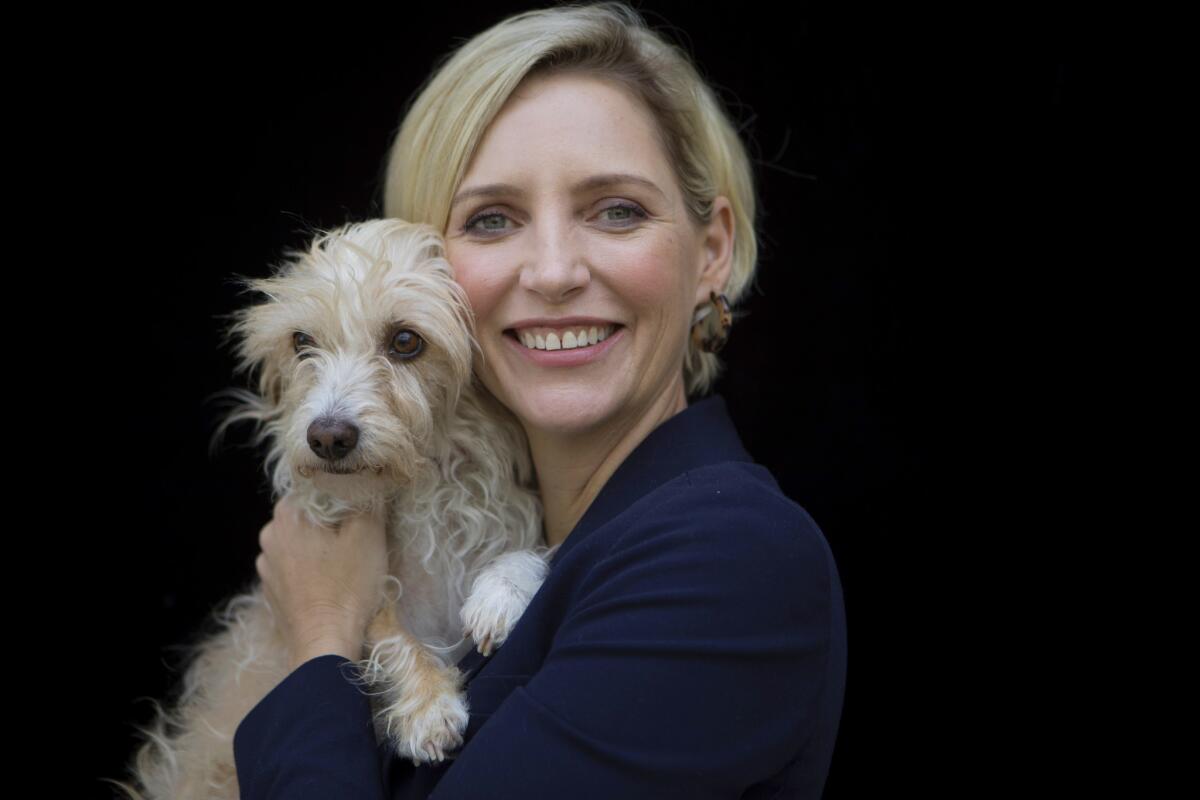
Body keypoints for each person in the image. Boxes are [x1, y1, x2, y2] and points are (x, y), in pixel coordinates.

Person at [233, 2, 847, 798]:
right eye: (491, 219)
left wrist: (322, 636)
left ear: (712, 252)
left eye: (616, 210)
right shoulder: (480, 546)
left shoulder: (734, 559)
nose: (553, 272)